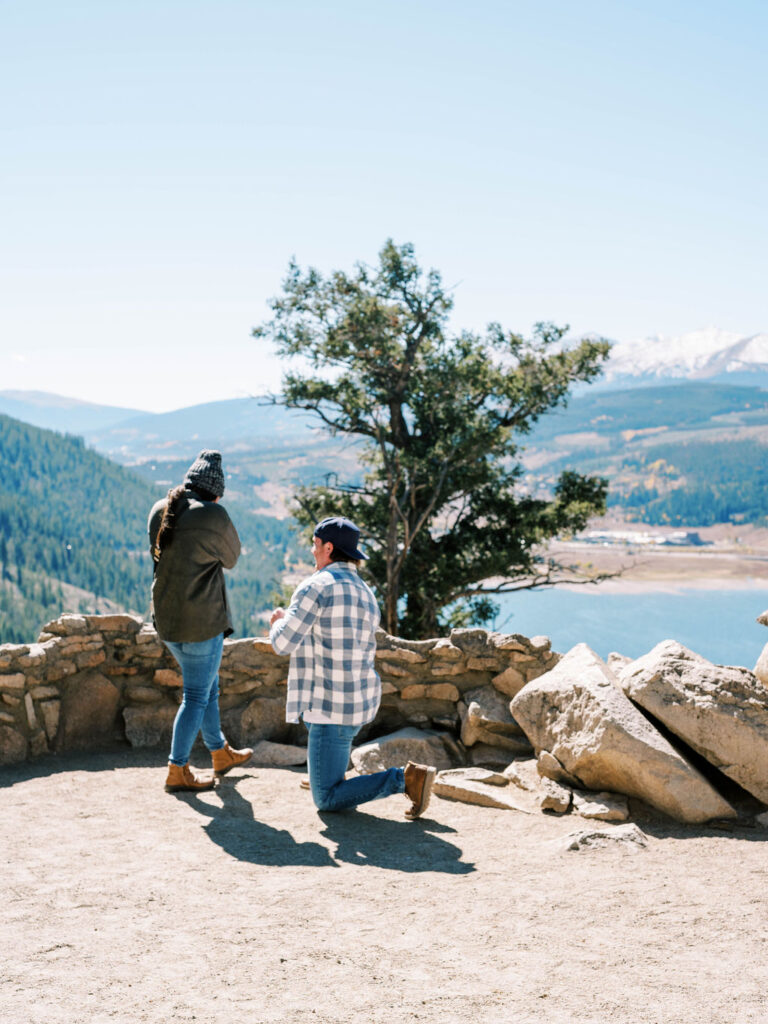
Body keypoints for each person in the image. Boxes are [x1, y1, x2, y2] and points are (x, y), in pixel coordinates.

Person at [269, 515, 435, 818]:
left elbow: (283, 643)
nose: (312, 550)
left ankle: (406, 780)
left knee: (327, 799)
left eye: (315, 545)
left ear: (329, 547)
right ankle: (327, 774)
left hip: (329, 706)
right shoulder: (365, 591)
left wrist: (278, 622)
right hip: (358, 700)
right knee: (327, 772)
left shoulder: (315, 587)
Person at [148, 449, 253, 793]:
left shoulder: (160, 510)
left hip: (167, 621)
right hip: (201, 624)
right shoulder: (213, 515)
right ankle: (177, 769)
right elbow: (232, 558)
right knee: (195, 696)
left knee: (208, 688)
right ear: (216, 491)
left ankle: (219, 753)